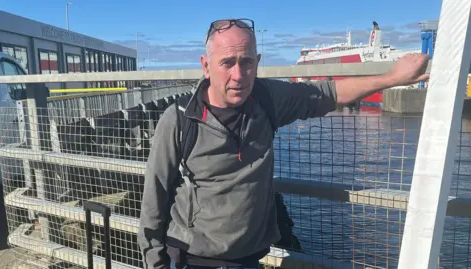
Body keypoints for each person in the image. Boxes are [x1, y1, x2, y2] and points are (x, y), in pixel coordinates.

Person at [137, 18, 430, 269]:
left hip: (250, 258)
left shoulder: (267, 100)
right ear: (206, 66)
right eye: (227, 63)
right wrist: (155, 261)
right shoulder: (178, 120)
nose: (238, 75)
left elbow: (327, 93)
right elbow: (155, 198)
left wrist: (391, 77)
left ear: (257, 63)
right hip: (192, 258)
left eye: (247, 62)